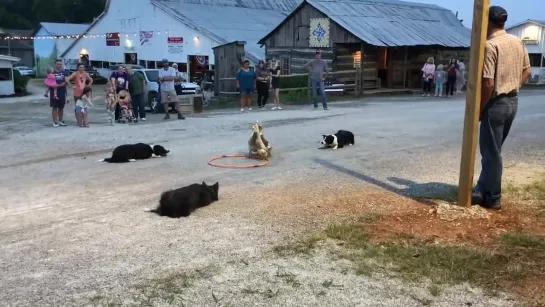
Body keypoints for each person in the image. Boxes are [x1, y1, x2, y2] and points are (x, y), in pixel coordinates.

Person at [472, 6, 531, 210]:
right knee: (493, 151)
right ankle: (482, 188)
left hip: (496, 103)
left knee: (491, 153)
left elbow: (488, 83)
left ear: (488, 22)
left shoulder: (490, 46)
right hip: (513, 102)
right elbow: (527, 71)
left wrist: (480, 108)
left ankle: (494, 197)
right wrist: (514, 85)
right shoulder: (517, 41)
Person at [48, 60, 71, 127]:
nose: (59, 65)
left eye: (60, 64)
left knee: (61, 107)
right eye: (58, 64)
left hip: (62, 92)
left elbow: (66, 81)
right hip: (53, 93)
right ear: (55, 64)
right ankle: (55, 121)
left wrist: (59, 85)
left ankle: (61, 121)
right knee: (54, 107)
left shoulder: (65, 72)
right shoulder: (52, 72)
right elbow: (48, 81)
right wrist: (52, 85)